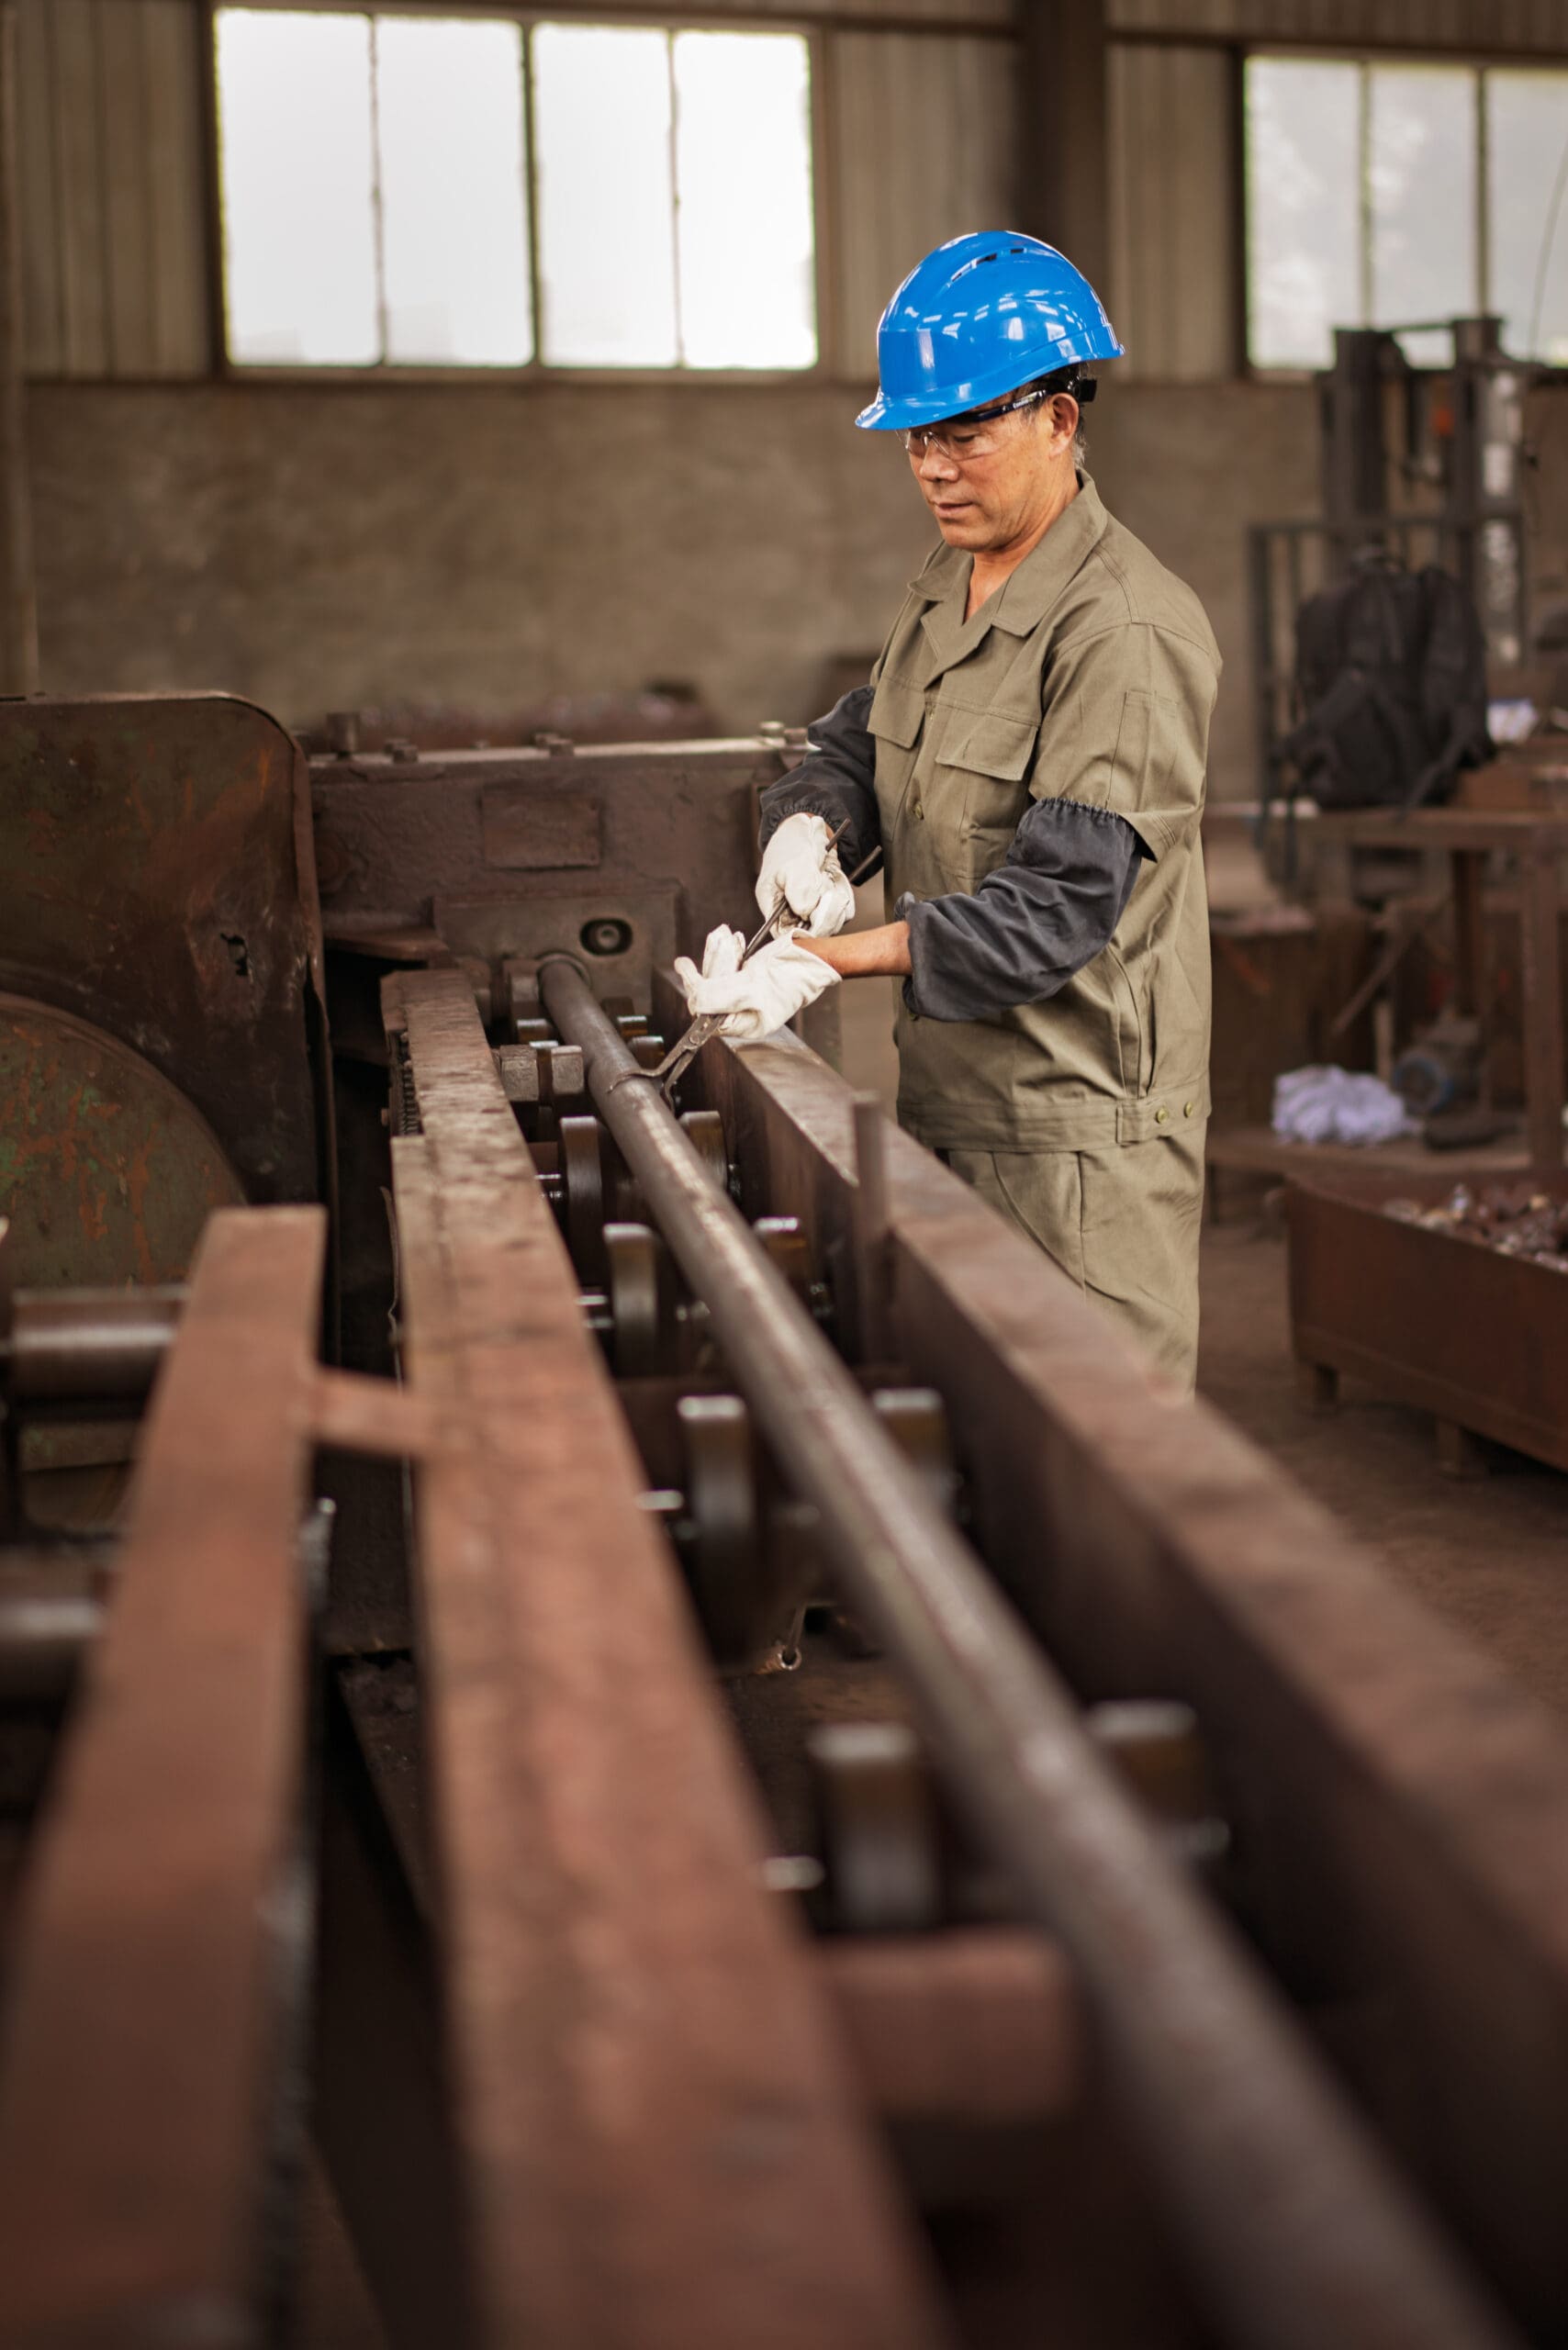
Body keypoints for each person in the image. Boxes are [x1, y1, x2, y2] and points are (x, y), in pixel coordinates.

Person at [676, 231, 1220, 1388]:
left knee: (1091, 1496)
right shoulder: (947, 583)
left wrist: (826, 958)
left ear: (1059, 421)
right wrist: (816, 827)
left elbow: (1056, 908)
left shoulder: (1120, 630)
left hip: (1075, 1156)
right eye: (916, 436)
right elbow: (860, 740)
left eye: (965, 432)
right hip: (950, 1116)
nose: (933, 466)